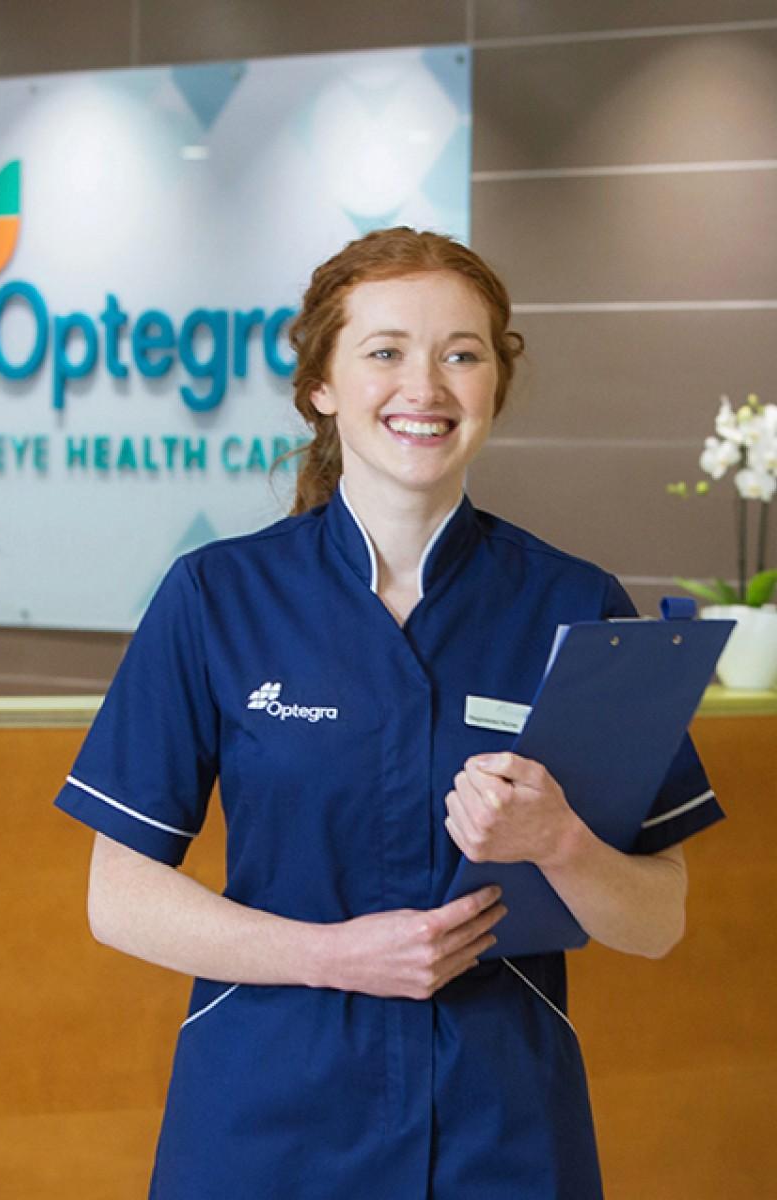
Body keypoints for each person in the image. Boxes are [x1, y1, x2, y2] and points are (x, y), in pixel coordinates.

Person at [54, 227, 723, 1199]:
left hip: (502, 1127)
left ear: (495, 382)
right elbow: (116, 898)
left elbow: (656, 920)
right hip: (269, 1119)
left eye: (462, 353)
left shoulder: (573, 604)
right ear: (321, 385)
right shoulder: (216, 597)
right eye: (385, 352)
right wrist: (330, 954)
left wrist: (560, 842)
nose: (428, 385)